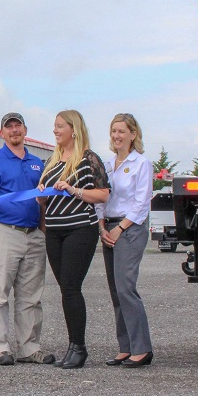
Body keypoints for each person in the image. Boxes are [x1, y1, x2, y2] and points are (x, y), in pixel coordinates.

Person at [0, 112, 55, 366]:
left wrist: (43, 232)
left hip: (32, 234)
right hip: (4, 232)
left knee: (31, 296)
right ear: (2, 133)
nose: (14, 130)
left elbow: (42, 201)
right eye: (8, 127)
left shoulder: (37, 163)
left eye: (17, 125)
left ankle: (29, 348)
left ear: (25, 130)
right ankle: (1, 348)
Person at [38, 110, 110, 369]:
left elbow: (103, 195)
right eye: (54, 126)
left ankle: (78, 347)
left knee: (71, 287)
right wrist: (41, 194)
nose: (55, 131)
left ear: (74, 130)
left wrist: (73, 190)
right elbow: (44, 201)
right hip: (54, 230)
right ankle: (73, 347)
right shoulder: (52, 161)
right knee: (65, 289)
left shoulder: (89, 159)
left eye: (60, 126)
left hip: (79, 229)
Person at [97, 113, 154, 368]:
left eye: (121, 131)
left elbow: (142, 203)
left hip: (129, 228)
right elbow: (102, 197)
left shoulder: (141, 164)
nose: (116, 136)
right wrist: (102, 227)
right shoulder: (107, 164)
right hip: (109, 227)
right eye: (114, 131)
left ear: (133, 134)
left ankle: (142, 348)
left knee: (126, 288)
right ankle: (126, 346)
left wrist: (120, 228)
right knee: (115, 291)